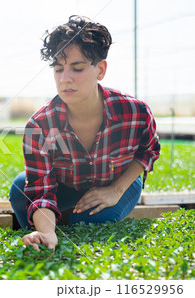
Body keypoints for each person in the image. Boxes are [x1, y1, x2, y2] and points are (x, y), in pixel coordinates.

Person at [9, 15, 160, 251]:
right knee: (20, 188)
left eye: (77, 68)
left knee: (88, 222)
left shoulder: (135, 111)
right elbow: (41, 188)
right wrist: (47, 232)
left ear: (100, 69)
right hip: (66, 184)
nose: (65, 79)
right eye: (58, 69)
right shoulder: (39, 125)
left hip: (119, 181)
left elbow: (149, 150)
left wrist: (116, 190)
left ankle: (65, 217)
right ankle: (42, 230)